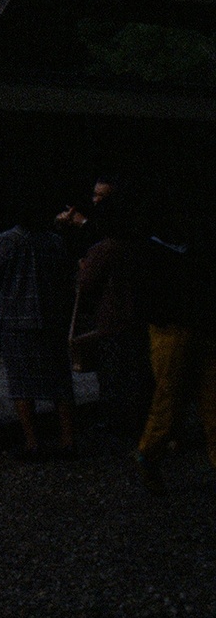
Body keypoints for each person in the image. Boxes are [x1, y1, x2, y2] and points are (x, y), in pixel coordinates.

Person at [0, 198, 76, 459]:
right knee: (60, 382)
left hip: (16, 319)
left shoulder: (9, 239)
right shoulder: (54, 241)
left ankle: (32, 442)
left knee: (22, 383)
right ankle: (67, 438)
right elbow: (66, 276)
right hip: (51, 319)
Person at [133, 208, 214, 495]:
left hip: (186, 327)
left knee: (183, 397)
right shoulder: (161, 248)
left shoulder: (156, 247)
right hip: (177, 327)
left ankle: (149, 453)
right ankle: (149, 452)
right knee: (172, 397)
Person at [72, 199, 153, 448]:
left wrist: (83, 269)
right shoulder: (139, 246)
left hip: (113, 320)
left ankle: (121, 427)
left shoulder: (104, 249)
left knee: (114, 377)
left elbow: (86, 284)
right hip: (139, 317)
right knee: (139, 375)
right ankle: (144, 426)